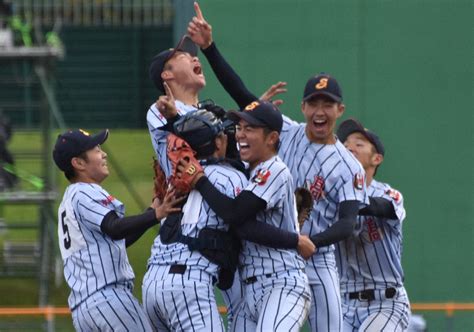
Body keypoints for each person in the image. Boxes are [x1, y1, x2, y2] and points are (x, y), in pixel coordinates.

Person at [186, 5, 369, 330]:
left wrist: (313, 242)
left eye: (327, 103)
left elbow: (348, 222)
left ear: (340, 109)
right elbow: (243, 96)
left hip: (317, 260)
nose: (320, 110)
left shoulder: (347, 164)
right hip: (273, 257)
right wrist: (209, 48)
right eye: (314, 102)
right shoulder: (286, 133)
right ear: (303, 107)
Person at [143, 109, 315, 331]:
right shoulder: (236, 174)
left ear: (272, 138)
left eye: (248, 129)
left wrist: (198, 176)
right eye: (238, 129)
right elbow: (237, 219)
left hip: (281, 282)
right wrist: (294, 239)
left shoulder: (272, 168)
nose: (238, 135)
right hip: (229, 288)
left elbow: (236, 217)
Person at [52, 128, 182, 331]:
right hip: (108, 299)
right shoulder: (84, 192)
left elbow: (117, 239)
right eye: (95, 149)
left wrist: (151, 211)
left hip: (85, 310)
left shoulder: (69, 200)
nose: (103, 154)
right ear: (78, 163)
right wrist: (157, 214)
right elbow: (115, 228)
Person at [336, 118, 411, 331]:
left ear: (376, 158)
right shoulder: (333, 195)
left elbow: (381, 207)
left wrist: (343, 201)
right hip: (344, 304)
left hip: (385, 302)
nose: (350, 147)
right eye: (346, 144)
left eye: (359, 144)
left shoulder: (388, 194)